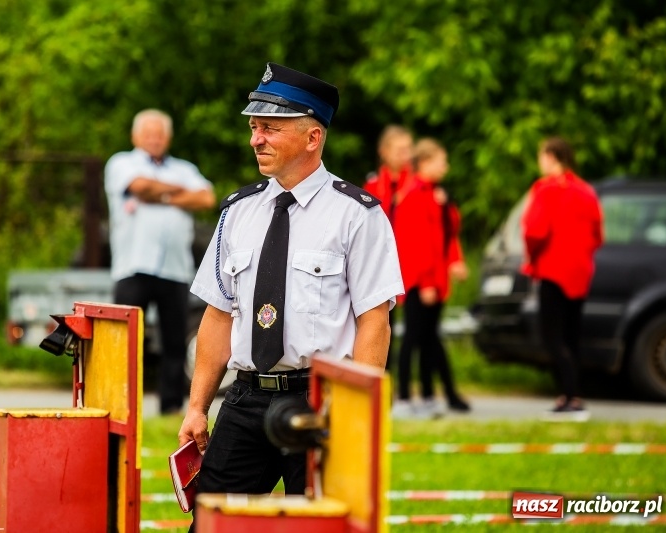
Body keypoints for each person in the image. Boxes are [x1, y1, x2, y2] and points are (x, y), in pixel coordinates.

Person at [178, 62, 403, 525]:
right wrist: (197, 406)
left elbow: (374, 322)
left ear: (312, 137)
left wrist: (354, 415)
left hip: (319, 405)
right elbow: (219, 316)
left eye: (270, 128)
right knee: (211, 524)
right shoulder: (238, 211)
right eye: (254, 127)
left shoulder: (356, 215)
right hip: (244, 400)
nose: (255, 139)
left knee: (323, 526)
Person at [104, 109, 216, 415]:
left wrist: (162, 196)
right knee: (125, 341)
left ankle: (170, 406)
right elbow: (139, 187)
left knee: (174, 342)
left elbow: (206, 198)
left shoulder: (184, 167)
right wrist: (180, 193)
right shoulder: (121, 162)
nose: (154, 139)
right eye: (148, 133)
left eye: (159, 133)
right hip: (133, 266)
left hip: (175, 268)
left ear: (168, 137)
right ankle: (120, 406)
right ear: (135, 136)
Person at [521, 137, 603, 421]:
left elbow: (534, 231)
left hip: (552, 270)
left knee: (552, 337)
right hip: (580, 273)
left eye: (541, 156)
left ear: (552, 157)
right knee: (571, 336)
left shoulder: (545, 189)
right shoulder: (587, 191)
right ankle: (572, 396)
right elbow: (597, 235)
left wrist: (532, 258)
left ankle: (570, 397)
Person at [392, 139, 470, 418]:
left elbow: (446, 234)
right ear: (424, 163)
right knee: (412, 339)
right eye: (441, 160)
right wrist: (425, 283)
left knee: (427, 339)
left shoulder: (436, 195)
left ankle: (426, 396)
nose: (445, 166)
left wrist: (453, 262)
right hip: (418, 281)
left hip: (435, 280)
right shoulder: (414, 195)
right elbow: (415, 244)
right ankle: (402, 398)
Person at [363, 125, 414, 370]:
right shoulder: (373, 185)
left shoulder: (417, 184)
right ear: (384, 151)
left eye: (409, 149)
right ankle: (381, 386)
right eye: (400, 150)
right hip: (381, 267)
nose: (406, 155)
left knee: (414, 331)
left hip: (411, 266)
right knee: (380, 326)